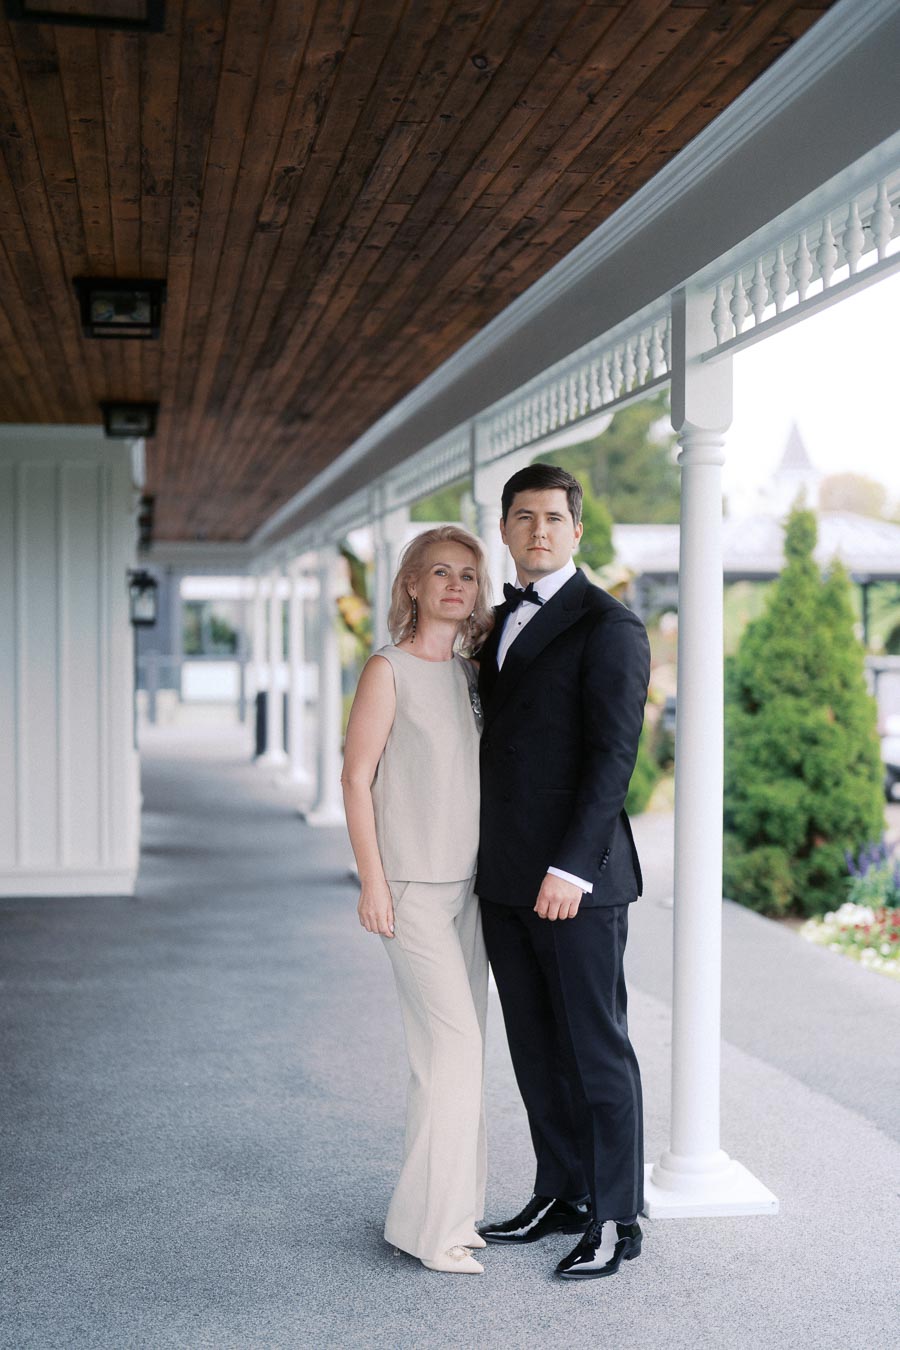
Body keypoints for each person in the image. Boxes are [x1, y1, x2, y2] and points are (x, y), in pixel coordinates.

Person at [475, 463, 651, 1281]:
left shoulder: (608, 625)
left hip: (574, 882)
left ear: (577, 530)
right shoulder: (498, 623)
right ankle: (563, 1192)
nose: (538, 530)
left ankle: (617, 1216)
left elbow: (614, 759)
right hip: (504, 878)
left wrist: (571, 868)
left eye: (553, 517)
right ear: (505, 530)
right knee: (535, 1047)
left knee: (595, 1050)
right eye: (523, 517)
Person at [341, 525, 494, 1275]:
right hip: (410, 889)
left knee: (450, 1056)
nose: (455, 585)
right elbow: (356, 778)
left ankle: (440, 1215)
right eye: (440, 572)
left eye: (468, 574)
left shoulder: (470, 674)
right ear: (412, 584)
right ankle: (436, 1233)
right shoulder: (386, 668)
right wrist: (372, 880)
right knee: (454, 1049)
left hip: (468, 889)